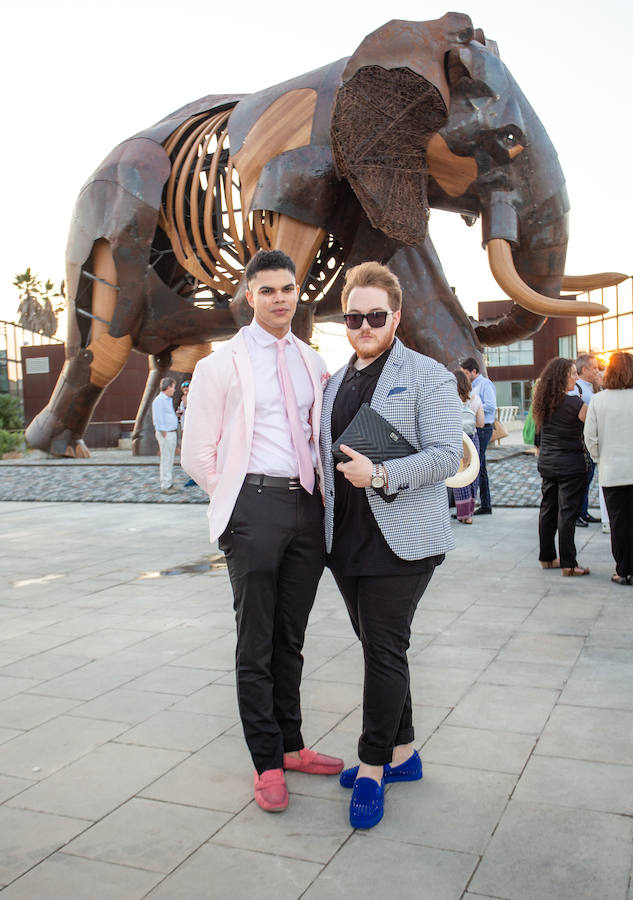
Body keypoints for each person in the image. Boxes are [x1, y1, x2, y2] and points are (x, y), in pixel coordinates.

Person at [181, 249, 343, 814]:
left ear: (298, 294)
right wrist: (238, 501)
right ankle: (266, 763)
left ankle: (293, 745)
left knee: (290, 639)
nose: (280, 298)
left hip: (306, 507)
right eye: (268, 289)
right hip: (253, 506)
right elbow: (196, 453)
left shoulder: (313, 362)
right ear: (250, 296)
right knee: (256, 642)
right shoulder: (219, 365)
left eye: (288, 289)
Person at [320, 261, 462, 829]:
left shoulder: (427, 374)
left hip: (402, 541)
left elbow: (447, 455)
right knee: (383, 651)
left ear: (395, 317)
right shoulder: (334, 380)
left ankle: (372, 764)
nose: (363, 326)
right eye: (353, 317)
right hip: (346, 540)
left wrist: (380, 476)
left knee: (382, 651)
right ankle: (403, 754)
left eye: (375, 316)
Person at [532, 357, 589, 576]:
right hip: (571, 465)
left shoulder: (543, 404)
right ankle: (569, 563)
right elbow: (590, 430)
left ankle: (547, 558)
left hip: (548, 463)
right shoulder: (576, 405)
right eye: (573, 374)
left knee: (547, 510)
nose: (576, 377)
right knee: (567, 513)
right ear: (561, 378)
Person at [584, 351, 633, 585]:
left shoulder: (598, 400)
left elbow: (590, 437)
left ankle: (623, 570)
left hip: (612, 471)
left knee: (619, 523)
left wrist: (599, 459)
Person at [460, 357, 496, 515]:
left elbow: (491, 405)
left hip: (482, 428)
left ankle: (484, 504)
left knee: (477, 466)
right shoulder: (472, 387)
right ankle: (476, 505)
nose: (465, 376)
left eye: (466, 373)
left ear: (474, 371)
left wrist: (474, 405)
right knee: (478, 466)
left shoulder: (484, 384)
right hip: (474, 427)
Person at [570, 353, 602, 527]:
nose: (598, 370)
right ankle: (578, 513)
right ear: (584, 369)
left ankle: (583, 511)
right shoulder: (578, 389)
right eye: (595, 367)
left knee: (587, 478)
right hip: (583, 441)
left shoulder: (591, 388)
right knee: (583, 479)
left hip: (591, 439)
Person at [452, 368, 484, 523]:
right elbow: (481, 423)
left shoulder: (450, 399)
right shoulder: (476, 399)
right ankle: (470, 512)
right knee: (472, 475)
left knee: (459, 477)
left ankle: (464, 515)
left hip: (457, 440)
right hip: (473, 440)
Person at [151, 376, 179, 495]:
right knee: (166, 459)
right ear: (167, 387)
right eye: (173, 387)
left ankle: (168, 482)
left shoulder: (167, 399)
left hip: (170, 432)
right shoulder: (159, 400)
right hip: (166, 434)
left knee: (169, 458)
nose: (174, 389)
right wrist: (164, 432)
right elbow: (158, 418)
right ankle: (165, 484)